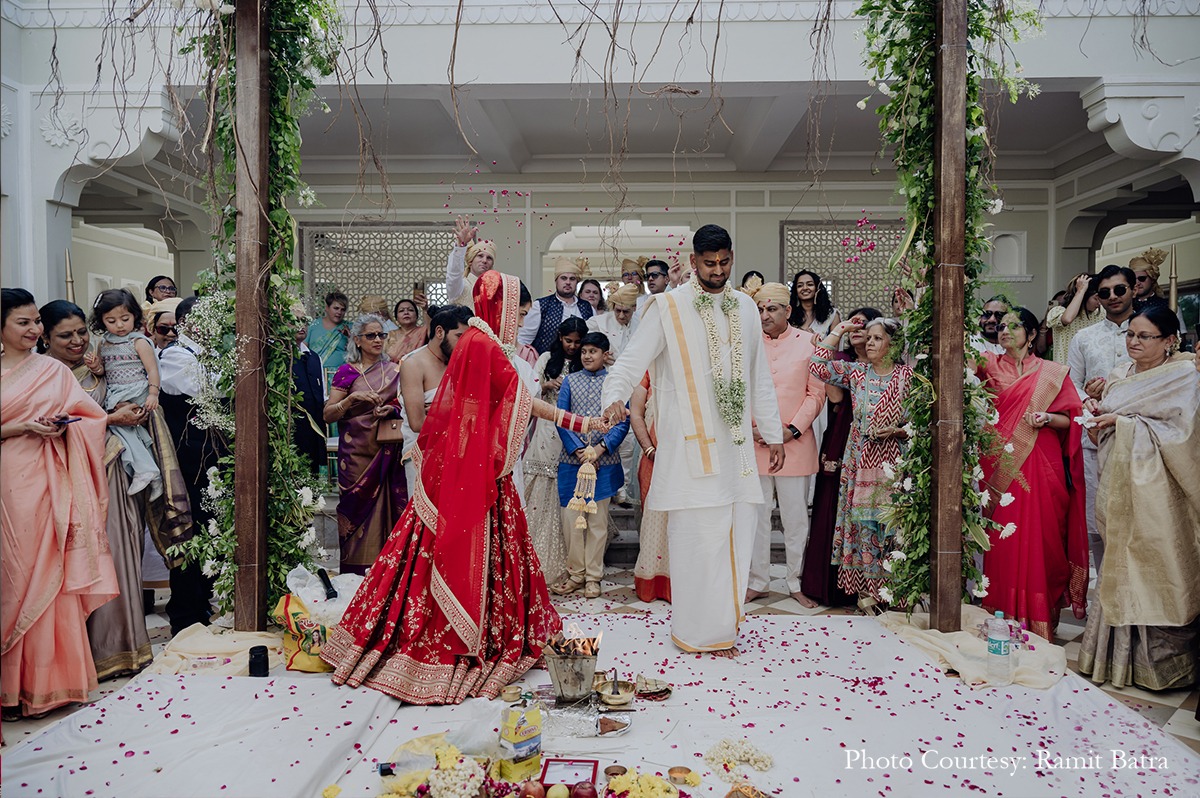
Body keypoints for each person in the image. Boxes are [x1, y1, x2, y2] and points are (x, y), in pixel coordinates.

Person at [321, 271, 604, 704]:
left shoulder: (476, 348)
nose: (520, 317)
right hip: (450, 468)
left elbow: (513, 403)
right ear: (503, 308)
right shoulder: (477, 347)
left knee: (433, 544)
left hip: (469, 470)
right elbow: (512, 404)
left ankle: (446, 623)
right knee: (453, 545)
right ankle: (466, 630)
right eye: (517, 309)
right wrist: (577, 423)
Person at [601, 224, 784, 656]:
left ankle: (725, 627)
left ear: (731, 257)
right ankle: (697, 633)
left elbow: (760, 378)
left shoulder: (744, 308)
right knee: (695, 545)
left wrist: (773, 433)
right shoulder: (666, 308)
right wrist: (612, 398)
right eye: (709, 263)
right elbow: (630, 362)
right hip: (689, 451)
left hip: (737, 449)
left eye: (724, 262)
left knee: (737, 535)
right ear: (693, 262)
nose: (718, 270)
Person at [1, 288, 118, 719]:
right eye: (24, 323)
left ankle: (49, 684)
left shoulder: (52, 371)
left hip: (51, 479)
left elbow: (91, 417)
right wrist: (18, 427)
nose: (34, 330)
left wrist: (62, 425)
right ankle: (8, 688)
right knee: (13, 575)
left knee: (48, 569)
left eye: (36, 322)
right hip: (8, 481)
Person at [1077, 305, 1200, 690]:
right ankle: (1116, 659)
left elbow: (1184, 434)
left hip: (1159, 492)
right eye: (1130, 334)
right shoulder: (1118, 376)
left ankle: (1162, 664)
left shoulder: (1183, 375)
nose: (1133, 342)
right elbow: (1105, 430)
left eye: (1144, 336)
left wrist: (1124, 422)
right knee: (1118, 557)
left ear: (1169, 341)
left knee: (1155, 561)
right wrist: (1101, 419)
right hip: (1116, 483)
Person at [41, 300, 155, 679]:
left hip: (109, 472)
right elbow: (50, 428)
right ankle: (73, 657)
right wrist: (110, 418)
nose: (76, 341)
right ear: (45, 336)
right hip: (60, 482)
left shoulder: (97, 366)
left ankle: (117, 648)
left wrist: (128, 413)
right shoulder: (42, 375)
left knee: (120, 554)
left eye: (80, 332)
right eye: (65, 335)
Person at [977, 307, 1088, 641]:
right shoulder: (987, 364)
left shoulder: (1053, 372)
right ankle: (999, 617)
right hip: (1000, 465)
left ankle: (1041, 618)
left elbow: (1071, 420)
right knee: (1002, 539)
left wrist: (1046, 418)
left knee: (1044, 539)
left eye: (1014, 326)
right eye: (1001, 326)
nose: (1004, 330)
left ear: (1031, 333)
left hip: (1043, 465)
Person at [810, 317, 912, 613]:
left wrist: (897, 430)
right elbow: (817, 366)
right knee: (863, 525)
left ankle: (893, 592)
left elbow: (921, 422)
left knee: (891, 526)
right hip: (860, 456)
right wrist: (839, 330)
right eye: (867, 338)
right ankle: (867, 592)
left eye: (877, 338)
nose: (869, 342)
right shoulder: (857, 372)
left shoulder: (908, 377)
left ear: (893, 345)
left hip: (895, 461)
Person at [742, 279, 826, 608]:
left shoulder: (809, 343)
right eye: (760, 309)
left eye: (771, 308)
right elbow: (740, 393)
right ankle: (758, 581)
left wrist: (791, 430)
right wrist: (756, 429)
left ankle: (794, 581)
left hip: (795, 443)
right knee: (757, 517)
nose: (764, 315)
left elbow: (815, 394)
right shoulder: (747, 345)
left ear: (788, 311)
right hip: (756, 442)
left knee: (795, 518)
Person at [799, 307, 881, 607]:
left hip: (880, 445)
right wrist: (836, 336)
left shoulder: (894, 369)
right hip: (842, 433)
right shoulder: (846, 365)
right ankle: (831, 587)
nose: (859, 331)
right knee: (835, 505)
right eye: (854, 324)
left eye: (866, 326)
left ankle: (873, 589)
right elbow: (834, 398)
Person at [323, 313, 407, 575]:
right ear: (357, 341)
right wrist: (351, 400)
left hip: (388, 451)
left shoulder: (396, 370)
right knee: (358, 512)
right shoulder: (347, 372)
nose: (378, 340)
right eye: (371, 335)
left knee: (391, 510)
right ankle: (356, 575)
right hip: (357, 456)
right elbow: (328, 414)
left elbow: (406, 405)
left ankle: (388, 574)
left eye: (381, 335)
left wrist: (392, 410)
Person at [1068, 263, 1137, 572]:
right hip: (1094, 439)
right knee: (1096, 519)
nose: (1113, 297)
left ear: (1133, 290)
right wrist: (1090, 399)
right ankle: (1104, 601)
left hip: (1139, 439)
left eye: (1119, 289)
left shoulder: (1148, 332)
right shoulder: (1084, 337)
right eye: (1105, 292)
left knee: (1136, 517)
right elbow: (1072, 384)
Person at [157, 295, 219, 635]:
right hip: (188, 461)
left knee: (210, 530)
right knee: (188, 532)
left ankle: (203, 604)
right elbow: (209, 387)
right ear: (184, 324)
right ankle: (185, 614)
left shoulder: (212, 355)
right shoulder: (175, 356)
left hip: (211, 460)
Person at [553, 331, 630, 599]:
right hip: (571, 462)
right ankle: (576, 574)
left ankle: (593, 577)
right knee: (572, 520)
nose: (586, 355)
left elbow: (622, 423)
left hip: (605, 461)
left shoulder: (617, 385)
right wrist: (580, 452)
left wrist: (598, 450)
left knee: (597, 523)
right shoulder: (570, 383)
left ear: (605, 355)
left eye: (593, 351)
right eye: (584, 351)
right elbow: (560, 419)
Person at [525, 318, 587, 588]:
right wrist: (546, 387)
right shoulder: (547, 358)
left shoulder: (584, 360)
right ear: (560, 337)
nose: (573, 347)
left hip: (574, 429)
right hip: (547, 429)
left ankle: (577, 557)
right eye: (568, 341)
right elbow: (528, 390)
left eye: (577, 342)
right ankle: (538, 547)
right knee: (543, 480)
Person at [86, 289, 164, 498]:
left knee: (121, 424)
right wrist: (96, 367)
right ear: (102, 322)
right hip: (116, 391)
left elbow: (153, 370)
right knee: (127, 430)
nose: (119, 325)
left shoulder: (138, 342)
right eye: (111, 321)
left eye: (124, 319)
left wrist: (153, 394)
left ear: (134, 316)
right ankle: (149, 471)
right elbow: (105, 371)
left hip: (136, 389)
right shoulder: (104, 343)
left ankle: (146, 470)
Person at [398, 305, 473, 496]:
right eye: (459, 336)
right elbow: (417, 422)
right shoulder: (413, 364)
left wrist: (437, 411)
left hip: (460, 456)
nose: (464, 343)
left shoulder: (462, 362)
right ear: (439, 331)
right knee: (425, 522)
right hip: (423, 456)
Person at [629, 374, 670, 602]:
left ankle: (682, 582)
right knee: (653, 519)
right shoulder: (649, 370)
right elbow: (636, 413)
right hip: (653, 458)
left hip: (687, 461)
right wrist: (649, 449)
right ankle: (652, 583)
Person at [519, 256, 594, 353]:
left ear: (577, 282)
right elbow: (524, 339)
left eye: (572, 279)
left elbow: (593, 340)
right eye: (563, 278)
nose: (568, 282)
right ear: (556, 281)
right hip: (546, 365)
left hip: (579, 365)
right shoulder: (541, 306)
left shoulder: (588, 308)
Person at [292, 308, 328, 476]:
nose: (301, 326)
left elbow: (322, 395)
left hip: (312, 428)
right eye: (295, 320)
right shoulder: (278, 355)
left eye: (304, 321)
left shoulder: (314, 357)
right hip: (290, 431)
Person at [1044, 273, 1102, 364]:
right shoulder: (1057, 312)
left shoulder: (1100, 313)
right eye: (1096, 298)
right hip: (1066, 372)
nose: (1099, 302)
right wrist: (1081, 290)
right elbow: (1067, 319)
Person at [446, 215, 496, 308]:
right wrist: (461, 246)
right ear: (470, 261)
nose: (484, 261)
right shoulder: (461, 286)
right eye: (480, 256)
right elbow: (454, 274)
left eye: (489, 258)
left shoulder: (494, 291)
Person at [587, 282, 640, 361]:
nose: (621, 316)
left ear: (634, 307)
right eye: (618, 311)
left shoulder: (641, 323)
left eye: (626, 312)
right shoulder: (598, 322)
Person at [307, 291, 351, 384]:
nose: (339, 312)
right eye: (336, 308)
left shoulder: (349, 327)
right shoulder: (313, 326)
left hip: (341, 377)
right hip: (315, 375)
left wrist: (350, 337)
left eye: (343, 309)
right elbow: (303, 349)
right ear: (327, 307)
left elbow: (361, 351)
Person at [789, 270, 841, 336]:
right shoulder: (789, 315)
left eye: (810, 284)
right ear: (795, 291)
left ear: (817, 288)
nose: (805, 288)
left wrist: (814, 340)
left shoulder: (832, 315)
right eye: (800, 286)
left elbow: (835, 345)